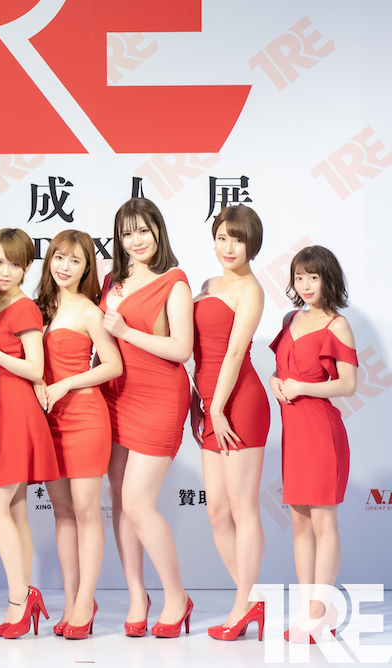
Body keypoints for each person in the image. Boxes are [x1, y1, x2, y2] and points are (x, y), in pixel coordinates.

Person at [99, 198, 193, 638]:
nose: (135, 240)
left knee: (138, 501)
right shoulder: (111, 281)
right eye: (127, 233)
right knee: (120, 499)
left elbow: (181, 349)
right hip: (115, 394)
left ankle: (177, 597)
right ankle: (137, 595)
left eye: (143, 231)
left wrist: (126, 331)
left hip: (159, 396)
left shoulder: (174, 281)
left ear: (158, 231)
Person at [0, 228, 58, 639]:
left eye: (15, 264)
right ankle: (22, 601)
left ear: (27, 268)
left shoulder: (24, 307)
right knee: (17, 512)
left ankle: (20, 599)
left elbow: (36, 369)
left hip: (16, 413)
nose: (5, 271)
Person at [34, 230, 122, 639]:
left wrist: (66, 384)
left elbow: (113, 365)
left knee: (86, 511)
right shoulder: (39, 307)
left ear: (87, 268)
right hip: (47, 420)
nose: (65, 267)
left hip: (85, 416)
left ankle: (86, 601)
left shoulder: (89, 310)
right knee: (62, 511)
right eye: (59, 257)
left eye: (75, 260)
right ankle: (71, 601)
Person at [269, 245, 357, 644]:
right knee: (300, 523)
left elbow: (348, 384)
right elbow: (280, 370)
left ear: (328, 279)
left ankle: (321, 613)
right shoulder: (290, 319)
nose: (305, 285)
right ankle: (310, 611)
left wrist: (302, 387)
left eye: (313, 277)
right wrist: (276, 381)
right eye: (299, 277)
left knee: (323, 522)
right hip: (293, 433)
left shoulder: (337, 325)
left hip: (322, 432)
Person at [191, 206, 270, 641]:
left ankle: (243, 604)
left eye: (237, 239)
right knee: (216, 510)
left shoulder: (251, 290)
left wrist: (217, 407)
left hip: (239, 402)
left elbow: (235, 353)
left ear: (251, 244)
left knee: (242, 507)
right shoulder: (207, 285)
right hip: (211, 403)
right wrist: (197, 402)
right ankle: (251, 599)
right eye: (222, 237)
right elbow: (199, 352)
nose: (228, 247)